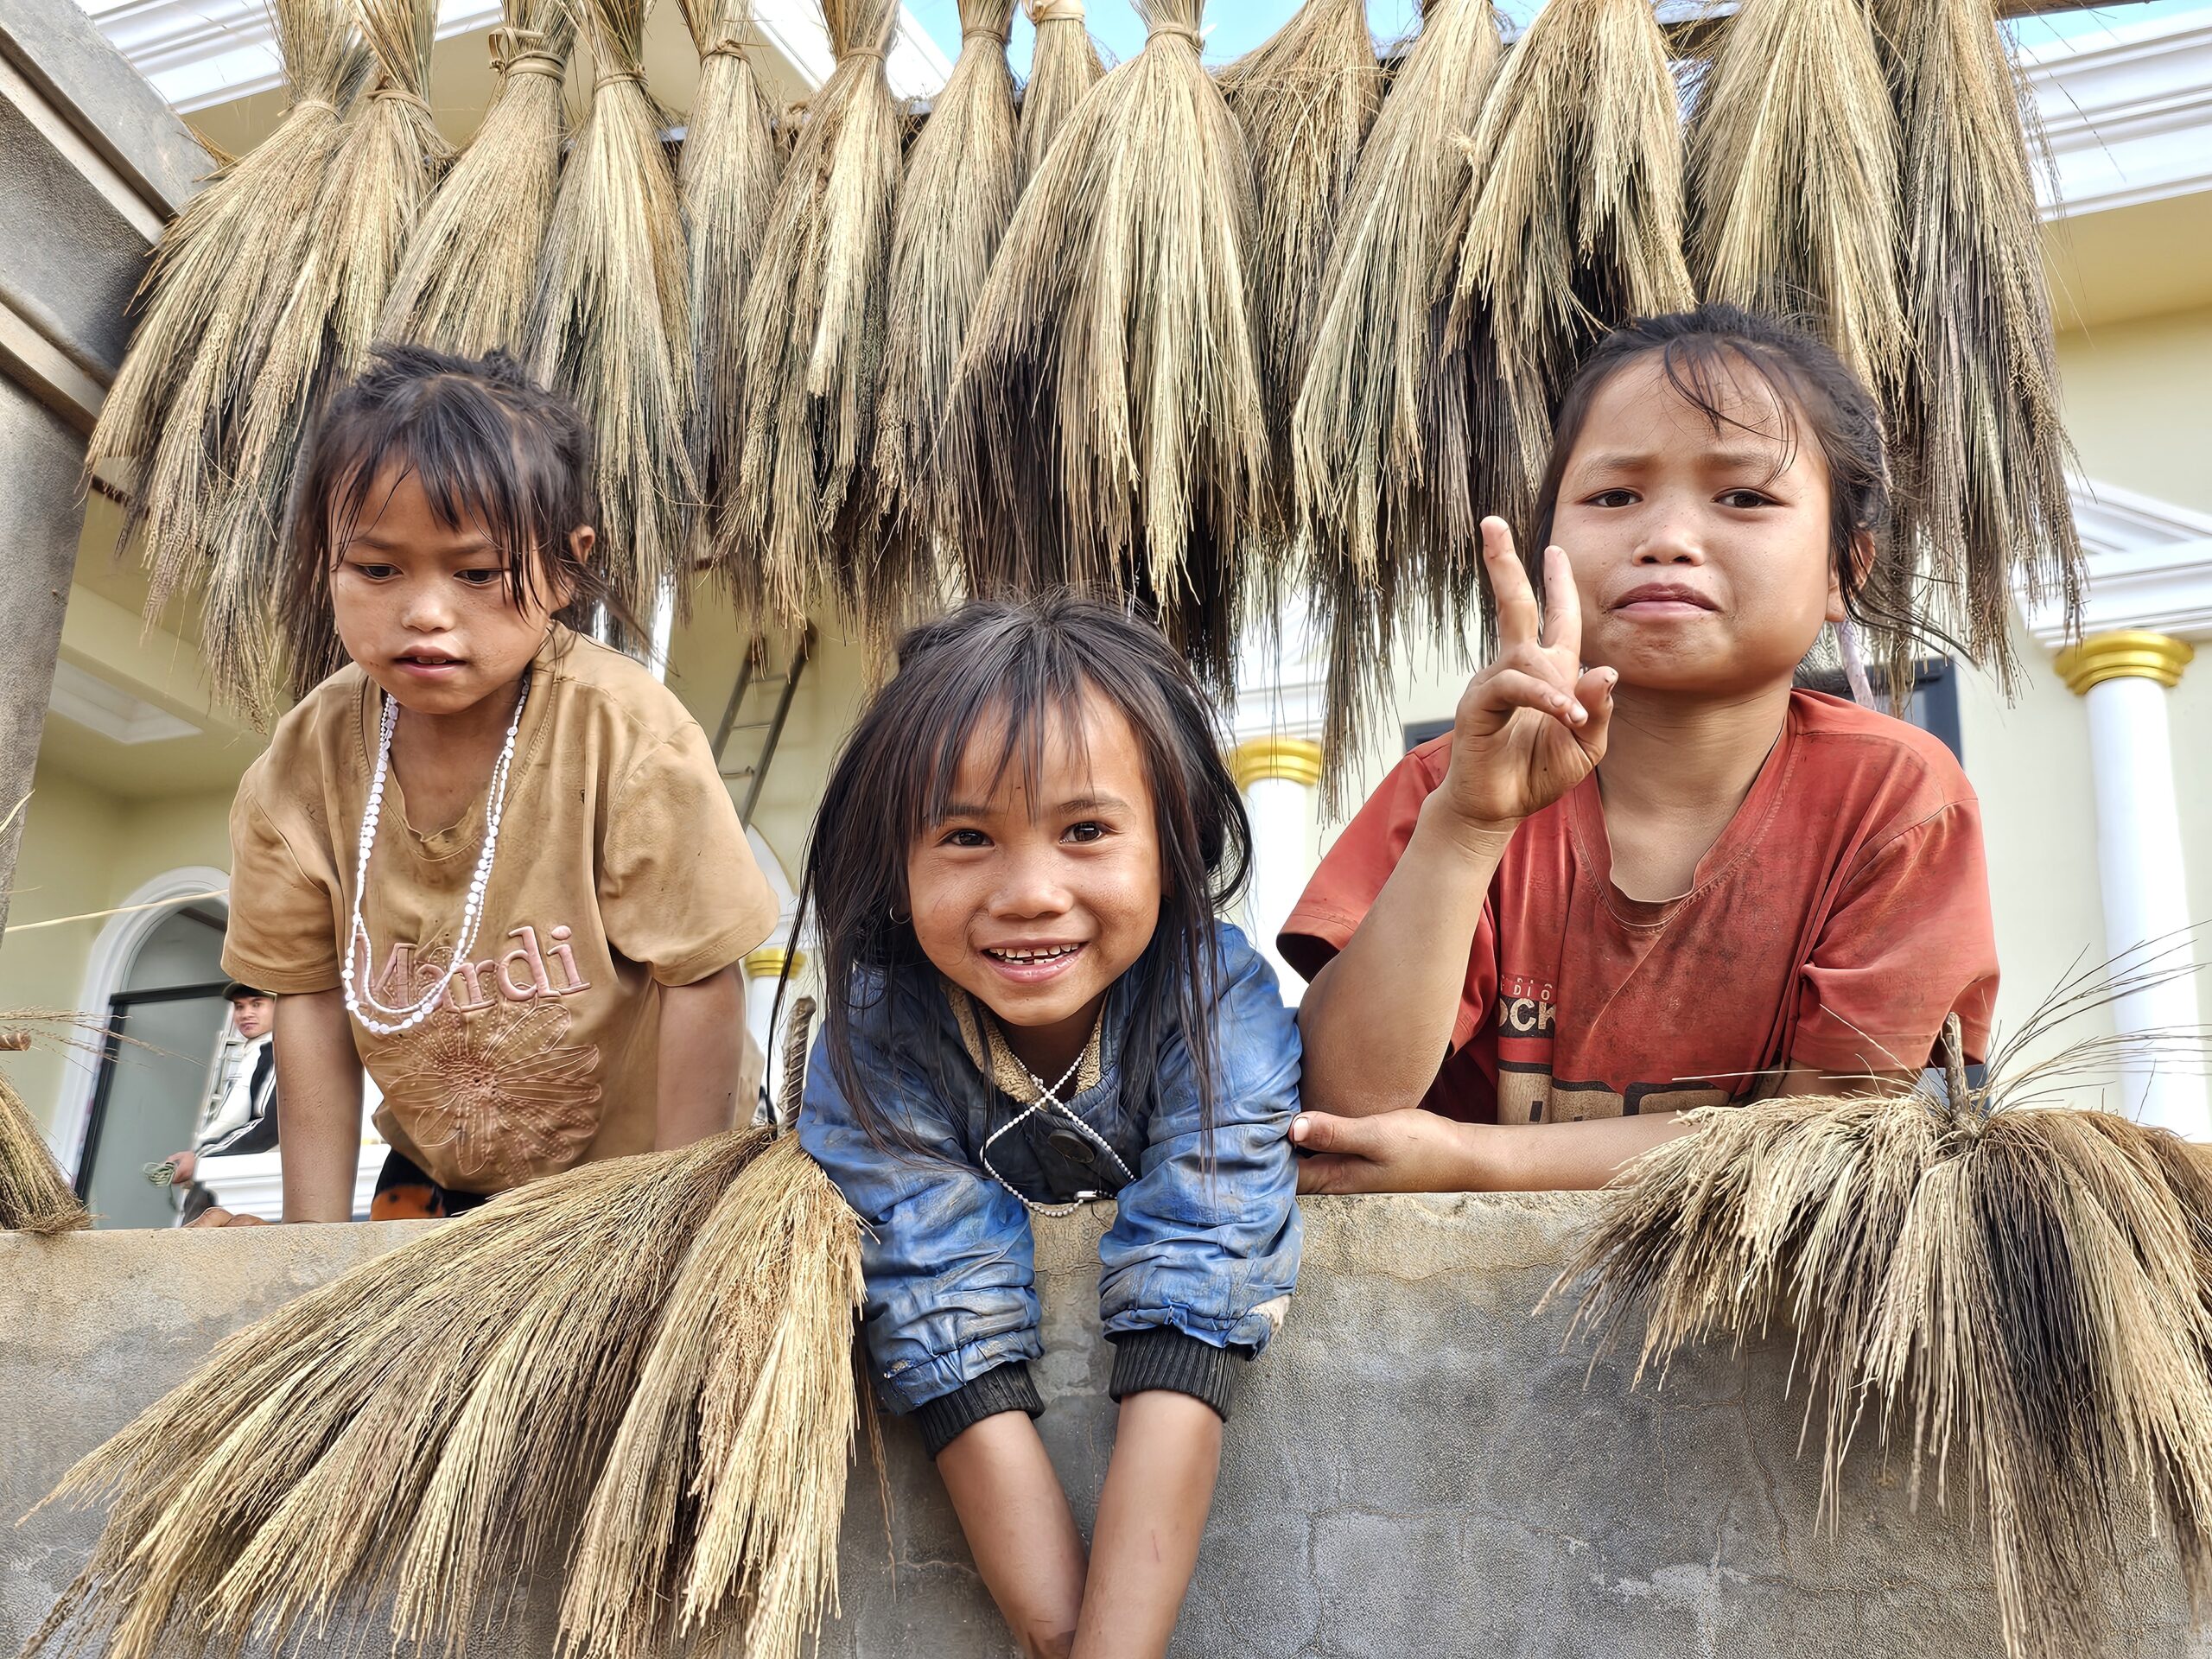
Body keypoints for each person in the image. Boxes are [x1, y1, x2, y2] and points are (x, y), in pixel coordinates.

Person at [1284, 304, 1999, 1194]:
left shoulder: (1897, 799)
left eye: (1743, 497)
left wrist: (1480, 1161)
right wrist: (1466, 830)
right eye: (1615, 497)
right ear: (1548, 551)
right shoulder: (1449, 787)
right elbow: (1344, 1103)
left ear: (1841, 571)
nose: (1666, 540)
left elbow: (1825, 1150)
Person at [797, 594, 1302, 1659]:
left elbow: (1201, 1275)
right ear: (893, 861)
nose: (1030, 893)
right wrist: (1060, 1634)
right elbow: (938, 1305)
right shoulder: (874, 1038)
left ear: (1174, 839)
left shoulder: (1217, 1001)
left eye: (1085, 831)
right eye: (965, 837)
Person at [217, 345, 779, 1224]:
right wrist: (306, 1251)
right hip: (439, 1177)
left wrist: (676, 1221)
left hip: (641, 1178)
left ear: (564, 566)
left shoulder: (626, 737)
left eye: (477, 573)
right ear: (327, 559)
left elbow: (700, 978)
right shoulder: (299, 771)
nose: (425, 612)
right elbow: (310, 1002)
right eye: (377, 569)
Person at [167, 983, 278, 1227]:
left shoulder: (276, 1050)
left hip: (240, 1183)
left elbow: (269, 1125)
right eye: (239, 1007)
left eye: (256, 1004)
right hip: (221, 1175)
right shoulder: (254, 1051)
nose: (246, 1013)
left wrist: (202, 1157)